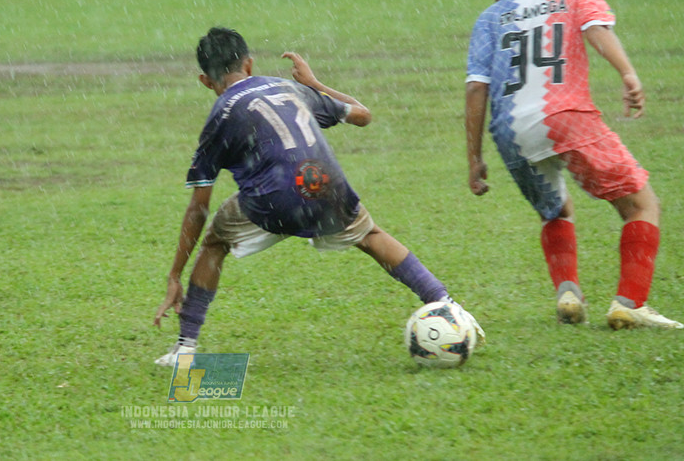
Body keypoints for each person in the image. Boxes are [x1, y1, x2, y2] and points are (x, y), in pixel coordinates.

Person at [153, 27, 484, 365]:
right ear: (249, 64)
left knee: (214, 244)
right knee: (370, 236)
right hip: (325, 186)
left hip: (271, 200)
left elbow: (199, 208)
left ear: (206, 82)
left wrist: (175, 275)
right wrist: (315, 84)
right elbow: (363, 115)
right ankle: (448, 306)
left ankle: (185, 349)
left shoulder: (219, 115)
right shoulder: (289, 88)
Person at [464, 0, 683, 329]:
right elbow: (597, 31)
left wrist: (475, 158)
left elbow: (477, 89)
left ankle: (567, 291)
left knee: (555, 210)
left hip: (512, 132)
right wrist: (628, 73)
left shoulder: (489, 20)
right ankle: (629, 303)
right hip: (566, 117)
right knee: (641, 205)